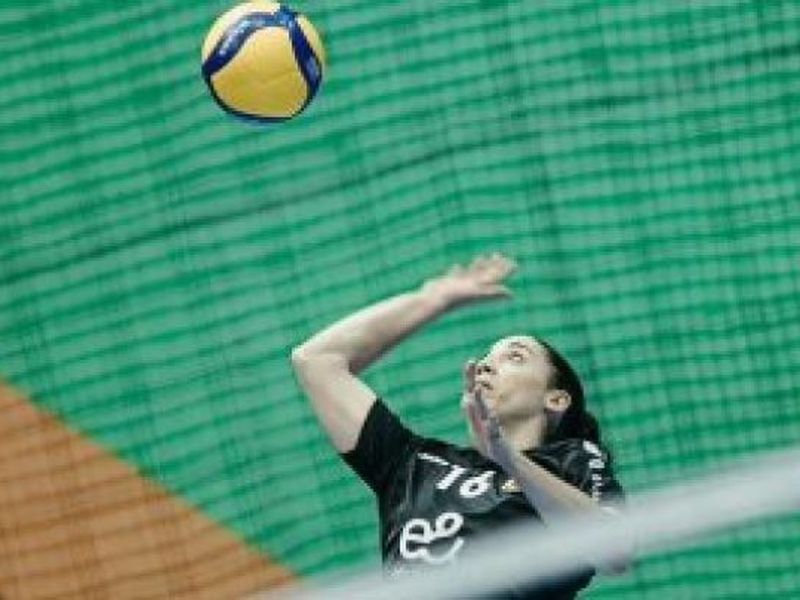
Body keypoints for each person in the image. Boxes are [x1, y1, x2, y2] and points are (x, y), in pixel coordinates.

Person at [291, 253, 626, 599]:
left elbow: (614, 550)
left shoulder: (572, 461)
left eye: (515, 357)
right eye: (486, 359)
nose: (486, 366)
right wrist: (433, 298)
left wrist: (509, 459)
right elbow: (316, 361)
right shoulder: (414, 466)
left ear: (556, 399)